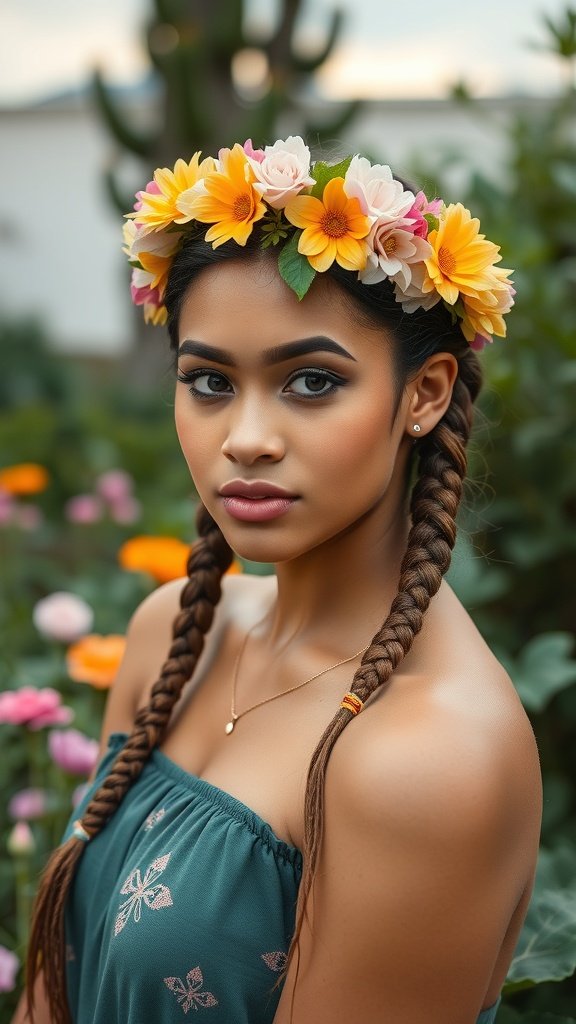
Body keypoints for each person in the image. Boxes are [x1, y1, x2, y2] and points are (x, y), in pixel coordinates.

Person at [19, 137, 541, 1024]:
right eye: (209, 381)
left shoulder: (429, 755)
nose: (246, 438)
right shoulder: (169, 635)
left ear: (423, 394)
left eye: (310, 381)